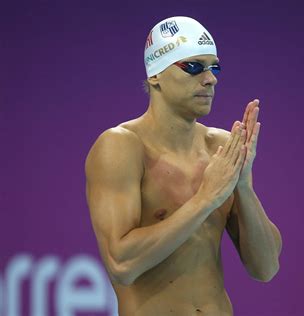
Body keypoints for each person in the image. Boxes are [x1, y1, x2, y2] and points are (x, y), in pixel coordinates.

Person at [85, 16, 282, 316]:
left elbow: (266, 268)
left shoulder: (220, 148)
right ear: (155, 75)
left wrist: (242, 186)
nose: (210, 78)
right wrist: (205, 200)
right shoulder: (121, 147)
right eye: (193, 67)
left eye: (214, 67)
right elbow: (121, 264)